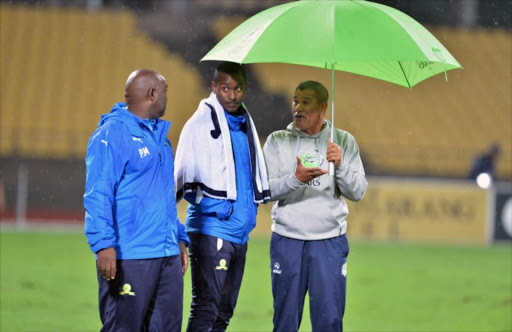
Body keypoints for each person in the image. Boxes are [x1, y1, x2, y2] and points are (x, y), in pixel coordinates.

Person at [83, 69, 190, 332]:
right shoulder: (111, 135)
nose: (167, 98)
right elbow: (98, 194)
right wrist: (103, 245)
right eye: (165, 92)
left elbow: (164, 198)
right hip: (129, 255)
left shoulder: (161, 142)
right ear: (152, 94)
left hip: (165, 255)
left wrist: (178, 238)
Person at [262, 81, 368, 332]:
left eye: (305, 102)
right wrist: (295, 179)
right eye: (295, 101)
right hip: (287, 241)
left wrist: (340, 166)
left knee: (329, 321)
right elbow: (263, 191)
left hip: (329, 242)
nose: (297, 108)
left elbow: (358, 191)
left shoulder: (343, 141)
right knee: (284, 322)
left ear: (323, 108)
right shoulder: (277, 141)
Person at [174, 62, 270, 331]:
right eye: (225, 88)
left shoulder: (243, 124)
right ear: (213, 87)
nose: (232, 95)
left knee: (224, 312)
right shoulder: (200, 124)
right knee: (206, 307)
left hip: (239, 233)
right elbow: (184, 175)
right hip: (212, 230)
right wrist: (220, 207)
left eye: (237, 88)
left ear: (246, 89)